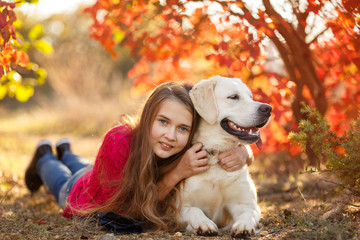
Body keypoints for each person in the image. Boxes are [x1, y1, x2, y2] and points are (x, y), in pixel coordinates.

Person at [25, 81, 254, 232]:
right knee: (62, 178)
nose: (171, 136)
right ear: (148, 117)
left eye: (183, 128)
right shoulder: (119, 140)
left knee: (83, 165)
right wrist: (177, 173)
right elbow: (131, 209)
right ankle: (44, 154)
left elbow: (218, 137)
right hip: (86, 191)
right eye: (163, 122)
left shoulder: (186, 143)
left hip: (100, 171)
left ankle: (65, 150)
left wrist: (245, 152)